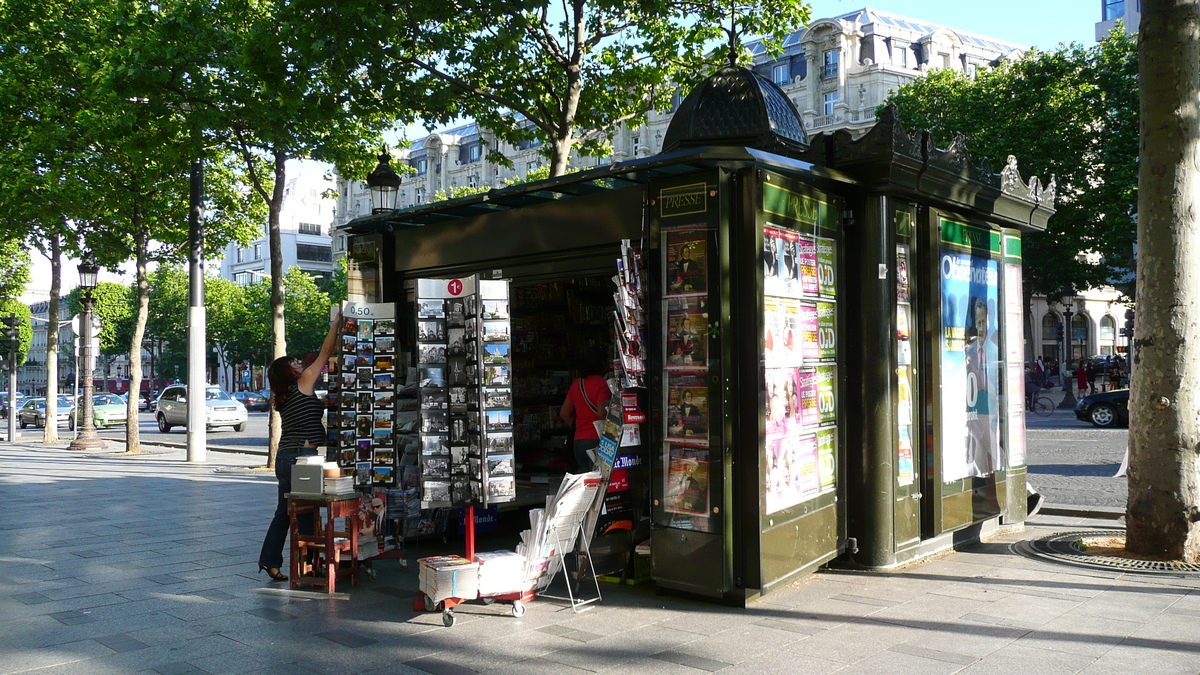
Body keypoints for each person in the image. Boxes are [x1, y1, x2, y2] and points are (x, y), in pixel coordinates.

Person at [256, 309, 343, 582]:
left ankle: (272, 562)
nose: (298, 363)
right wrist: (337, 322)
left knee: (284, 513)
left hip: (285, 458)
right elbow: (325, 352)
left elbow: (305, 412)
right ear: (290, 371)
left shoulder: (283, 395)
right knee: (307, 510)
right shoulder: (304, 381)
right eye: (294, 362)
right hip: (300, 459)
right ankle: (311, 563)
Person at [559, 346, 611, 473]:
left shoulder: (577, 383)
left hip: (579, 441)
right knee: (599, 480)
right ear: (601, 363)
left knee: (584, 480)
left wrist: (580, 427)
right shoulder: (602, 384)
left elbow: (564, 413)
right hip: (595, 440)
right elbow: (601, 414)